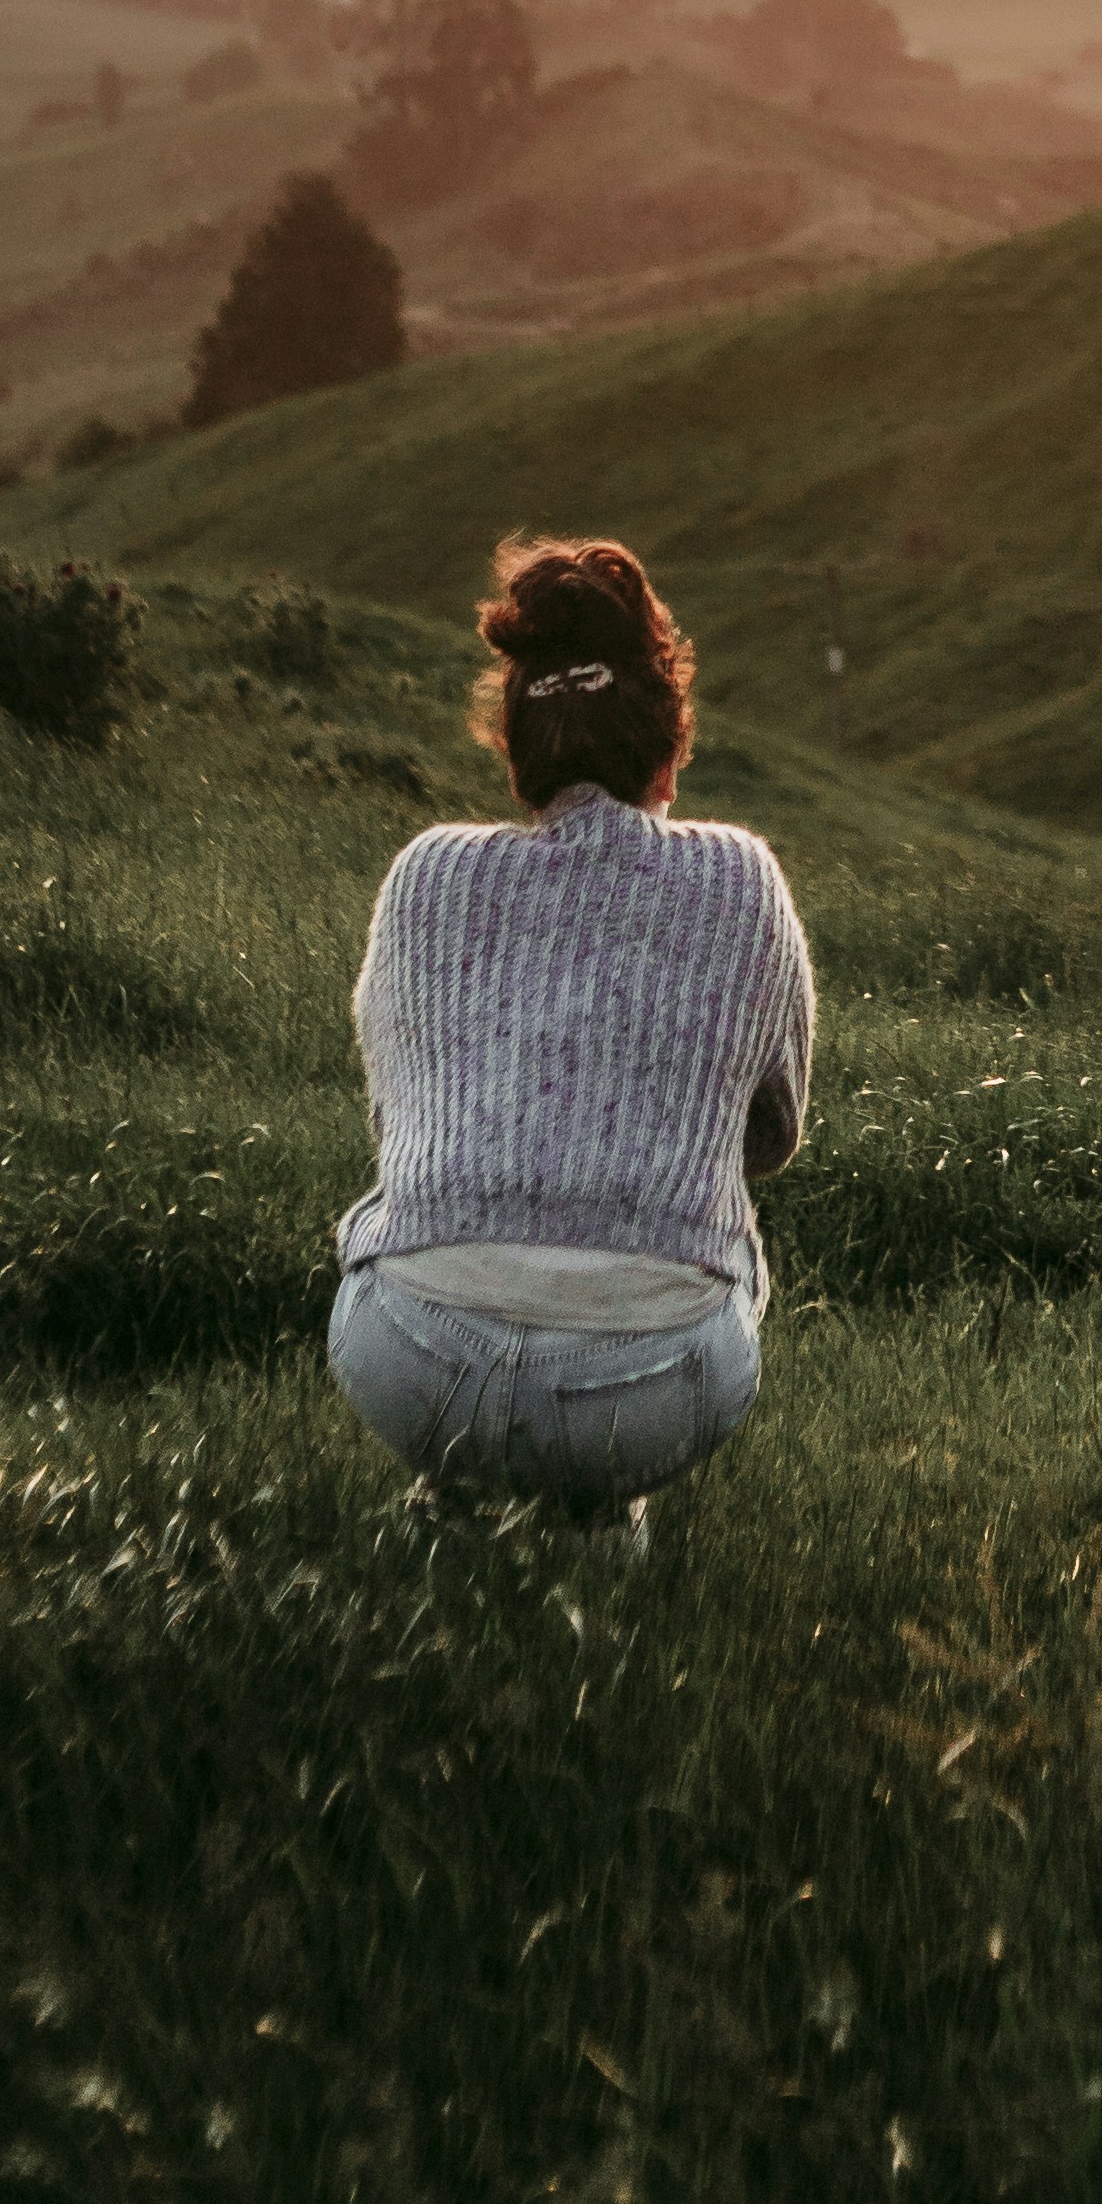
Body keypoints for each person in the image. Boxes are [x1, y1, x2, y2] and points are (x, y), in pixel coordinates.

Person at [330, 533, 811, 1507]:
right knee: (731, 1240)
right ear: (667, 741)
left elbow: (400, 1125)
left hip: (411, 1359)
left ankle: (452, 1503)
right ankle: (602, 1512)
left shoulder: (424, 875)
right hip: (651, 1383)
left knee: (389, 1226)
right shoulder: (740, 880)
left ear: (515, 743)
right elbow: (770, 1137)